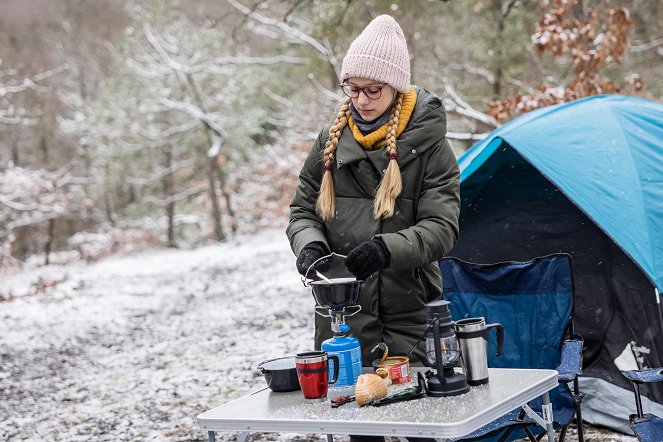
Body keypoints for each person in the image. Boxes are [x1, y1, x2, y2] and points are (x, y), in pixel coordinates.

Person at [287, 15, 460, 440]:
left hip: (410, 315)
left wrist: (386, 250)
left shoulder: (431, 146)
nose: (362, 100)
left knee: (420, 424)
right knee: (359, 427)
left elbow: (442, 227)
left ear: (396, 88)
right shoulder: (329, 139)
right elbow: (302, 211)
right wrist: (308, 246)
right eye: (353, 88)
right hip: (342, 319)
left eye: (373, 90)